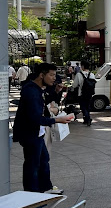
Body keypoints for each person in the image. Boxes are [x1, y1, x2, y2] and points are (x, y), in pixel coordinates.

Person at [12, 63, 74, 193]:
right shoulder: (31, 91)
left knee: (43, 159)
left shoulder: (39, 89)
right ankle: (32, 194)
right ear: (41, 75)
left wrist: (57, 92)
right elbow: (35, 118)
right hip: (29, 133)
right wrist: (57, 119)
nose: (54, 78)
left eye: (54, 75)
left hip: (37, 132)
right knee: (32, 164)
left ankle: (46, 188)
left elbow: (46, 103)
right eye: (51, 75)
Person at [72, 60, 95, 126]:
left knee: (83, 107)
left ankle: (87, 119)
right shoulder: (92, 74)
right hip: (90, 93)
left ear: (82, 66)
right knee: (88, 107)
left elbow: (75, 85)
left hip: (81, 93)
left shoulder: (79, 74)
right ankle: (86, 119)